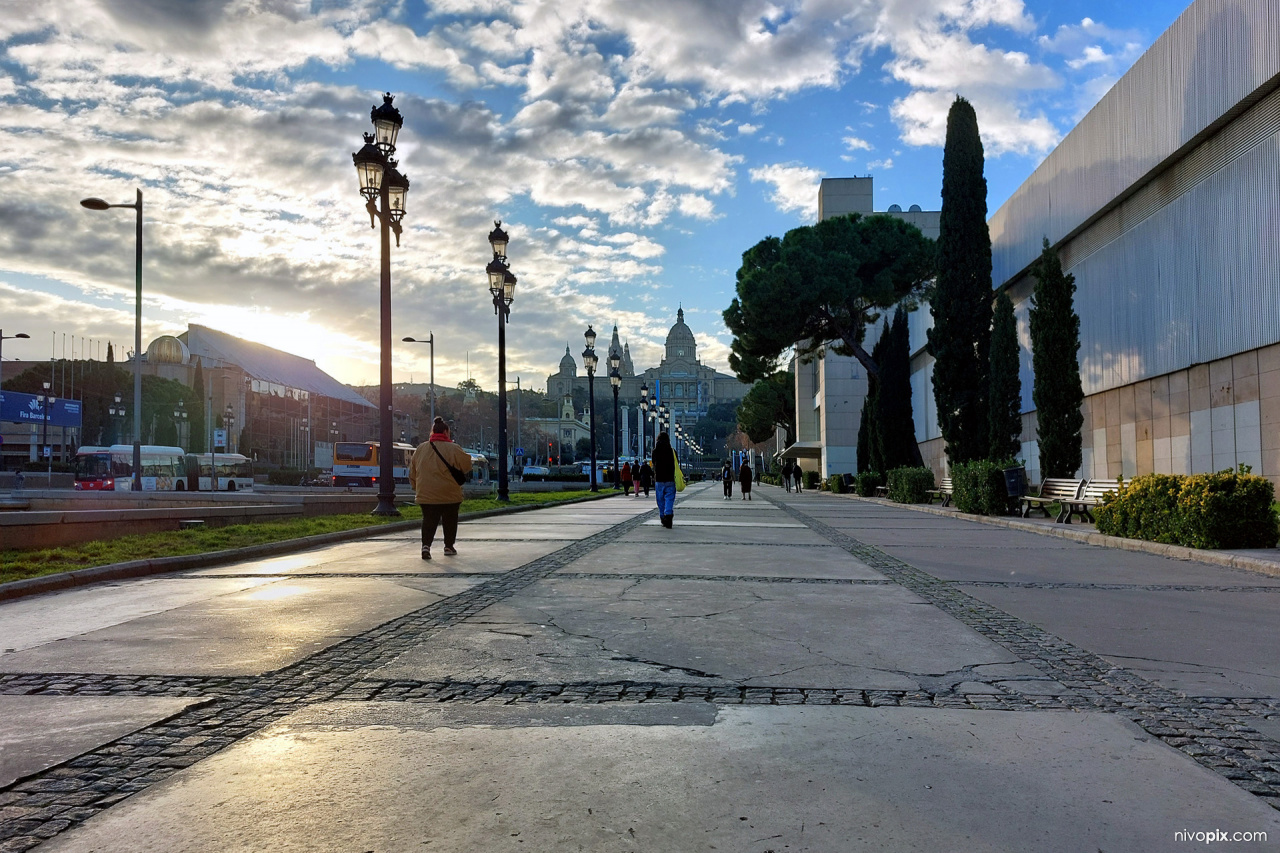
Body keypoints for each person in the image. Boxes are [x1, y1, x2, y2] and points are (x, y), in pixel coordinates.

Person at [408, 417, 473, 561]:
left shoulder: (421, 449)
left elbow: (413, 471)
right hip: (449, 493)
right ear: (445, 432)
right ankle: (449, 546)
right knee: (450, 519)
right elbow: (467, 465)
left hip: (426, 493)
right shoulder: (454, 448)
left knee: (428, 520)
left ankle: (426, 546)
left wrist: (416, 487)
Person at [652, 432, 678, 528]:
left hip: (659, 478)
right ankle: (668, 514)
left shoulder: (655, 451)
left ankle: (663, 517)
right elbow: (676, 464)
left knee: (660, 499)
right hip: (670, 478)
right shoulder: (672, 451)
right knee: (669, 498)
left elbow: (654, 464)